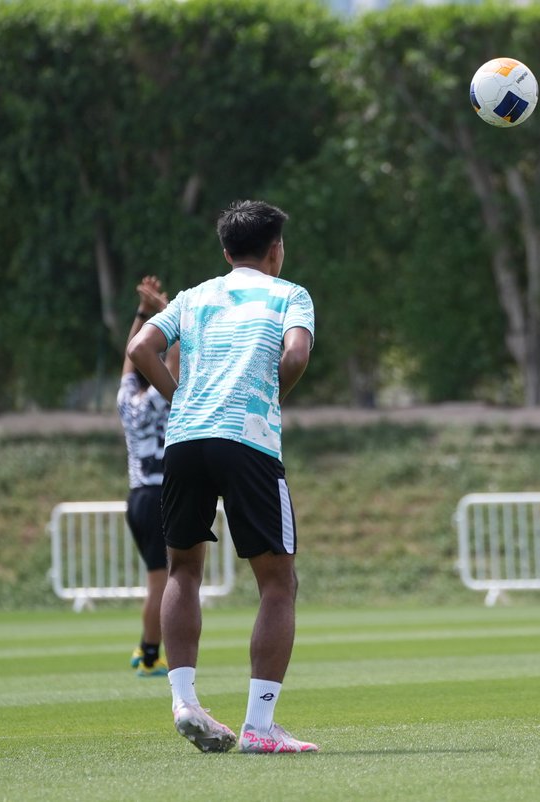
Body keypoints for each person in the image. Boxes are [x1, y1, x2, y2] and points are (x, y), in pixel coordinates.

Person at [127, 200, 318, 754]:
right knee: (278, 582)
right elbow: (298, 353)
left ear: (226, 251)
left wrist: (180, 396)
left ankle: (185, 700)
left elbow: (141, 347)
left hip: (184, 440)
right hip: (248, 439)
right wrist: (271, 399)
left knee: (182, 569)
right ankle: (260, 726)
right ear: (275, 249)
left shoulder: (193, 296)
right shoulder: (290, 294)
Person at [117, 275, 179, 678]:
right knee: (161, 579)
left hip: (135, 496)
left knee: (156, 576)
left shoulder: (126, 399)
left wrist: (143, 313)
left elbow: (131, 354)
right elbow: (170, 357)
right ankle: (149, 652)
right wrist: (170, 315)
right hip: (157, 494)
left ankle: (148, 648)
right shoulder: (158, 398)